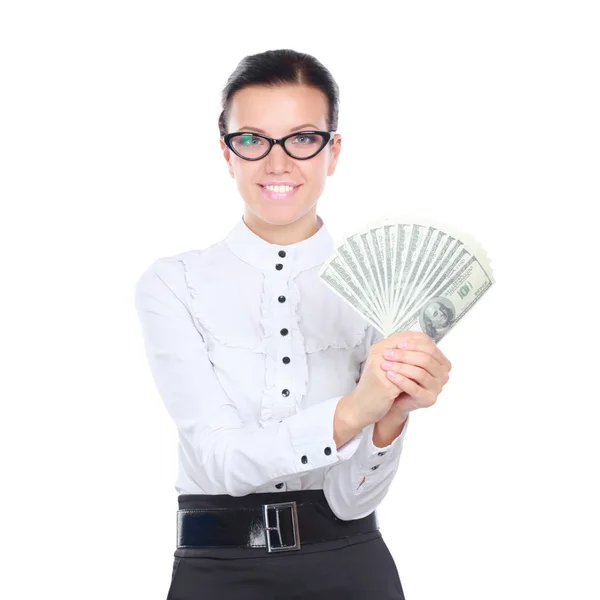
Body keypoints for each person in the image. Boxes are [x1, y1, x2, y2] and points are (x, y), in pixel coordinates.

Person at [133, 48, 452, 600]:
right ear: (226, 153)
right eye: (253, 140)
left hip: (352, 568)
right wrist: (353, 411)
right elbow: (220, 460)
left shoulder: (377, 292)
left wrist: (389, 420)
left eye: (303, 139)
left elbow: (353, 500)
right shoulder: (172, 284)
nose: (278, 164)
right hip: (217, 572)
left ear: (334, 152)